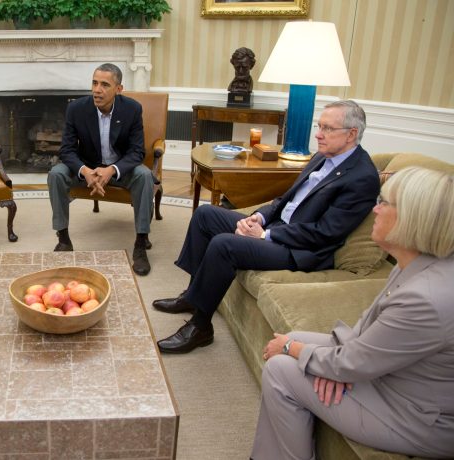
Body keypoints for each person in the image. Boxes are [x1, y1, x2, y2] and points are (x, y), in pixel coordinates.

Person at [253, 167, 454, 459]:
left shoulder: (424, 299)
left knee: (281, 368)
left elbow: (353, 362)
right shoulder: (416, 262)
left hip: (415, 417)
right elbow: (368, 328)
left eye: (384, 202)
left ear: (411, 219)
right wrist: (326, 364)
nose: (374, 209)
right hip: (394, 377)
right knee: (296, 340)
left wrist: (294, 350)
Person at [154, 100, 380, 353]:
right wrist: (259, 218)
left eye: (327, 128)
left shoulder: (362, 177)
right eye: (319, 126)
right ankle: (193, 294)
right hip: (278, 226)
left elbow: (325, 232)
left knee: (224, 245)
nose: (318, 134)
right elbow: (285, 199)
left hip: (301, 249)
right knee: (205, 215)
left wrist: (266, 235)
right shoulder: (321, 156)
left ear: (351, 134)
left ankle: (201, 326)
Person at [47, 63, 154, 275]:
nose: (97, 89)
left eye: (105, 85)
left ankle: (140, 244)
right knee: (56, 174)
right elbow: (67, 150)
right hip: (87, 166)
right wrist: (85, 171)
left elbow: (136, 152)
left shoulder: (132, 109)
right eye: (95, 83)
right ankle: (63, 238)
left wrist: (112, 170)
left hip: (119, 169)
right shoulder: (76, 108)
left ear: (119, 89)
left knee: (144, 175)